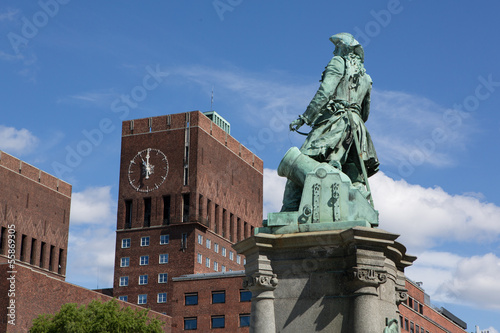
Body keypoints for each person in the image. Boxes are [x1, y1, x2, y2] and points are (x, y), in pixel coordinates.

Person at [281, 32, 379, 212]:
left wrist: (306, 117)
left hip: (334, 122)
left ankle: (289, 210)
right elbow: (365, 113)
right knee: (353, 177)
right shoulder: (366, 78)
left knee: (298, 162)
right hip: (357, 130)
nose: (334, 51)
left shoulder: (338, 63)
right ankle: (357, 210)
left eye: (337, 46)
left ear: (345, 49)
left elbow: (325, 92)